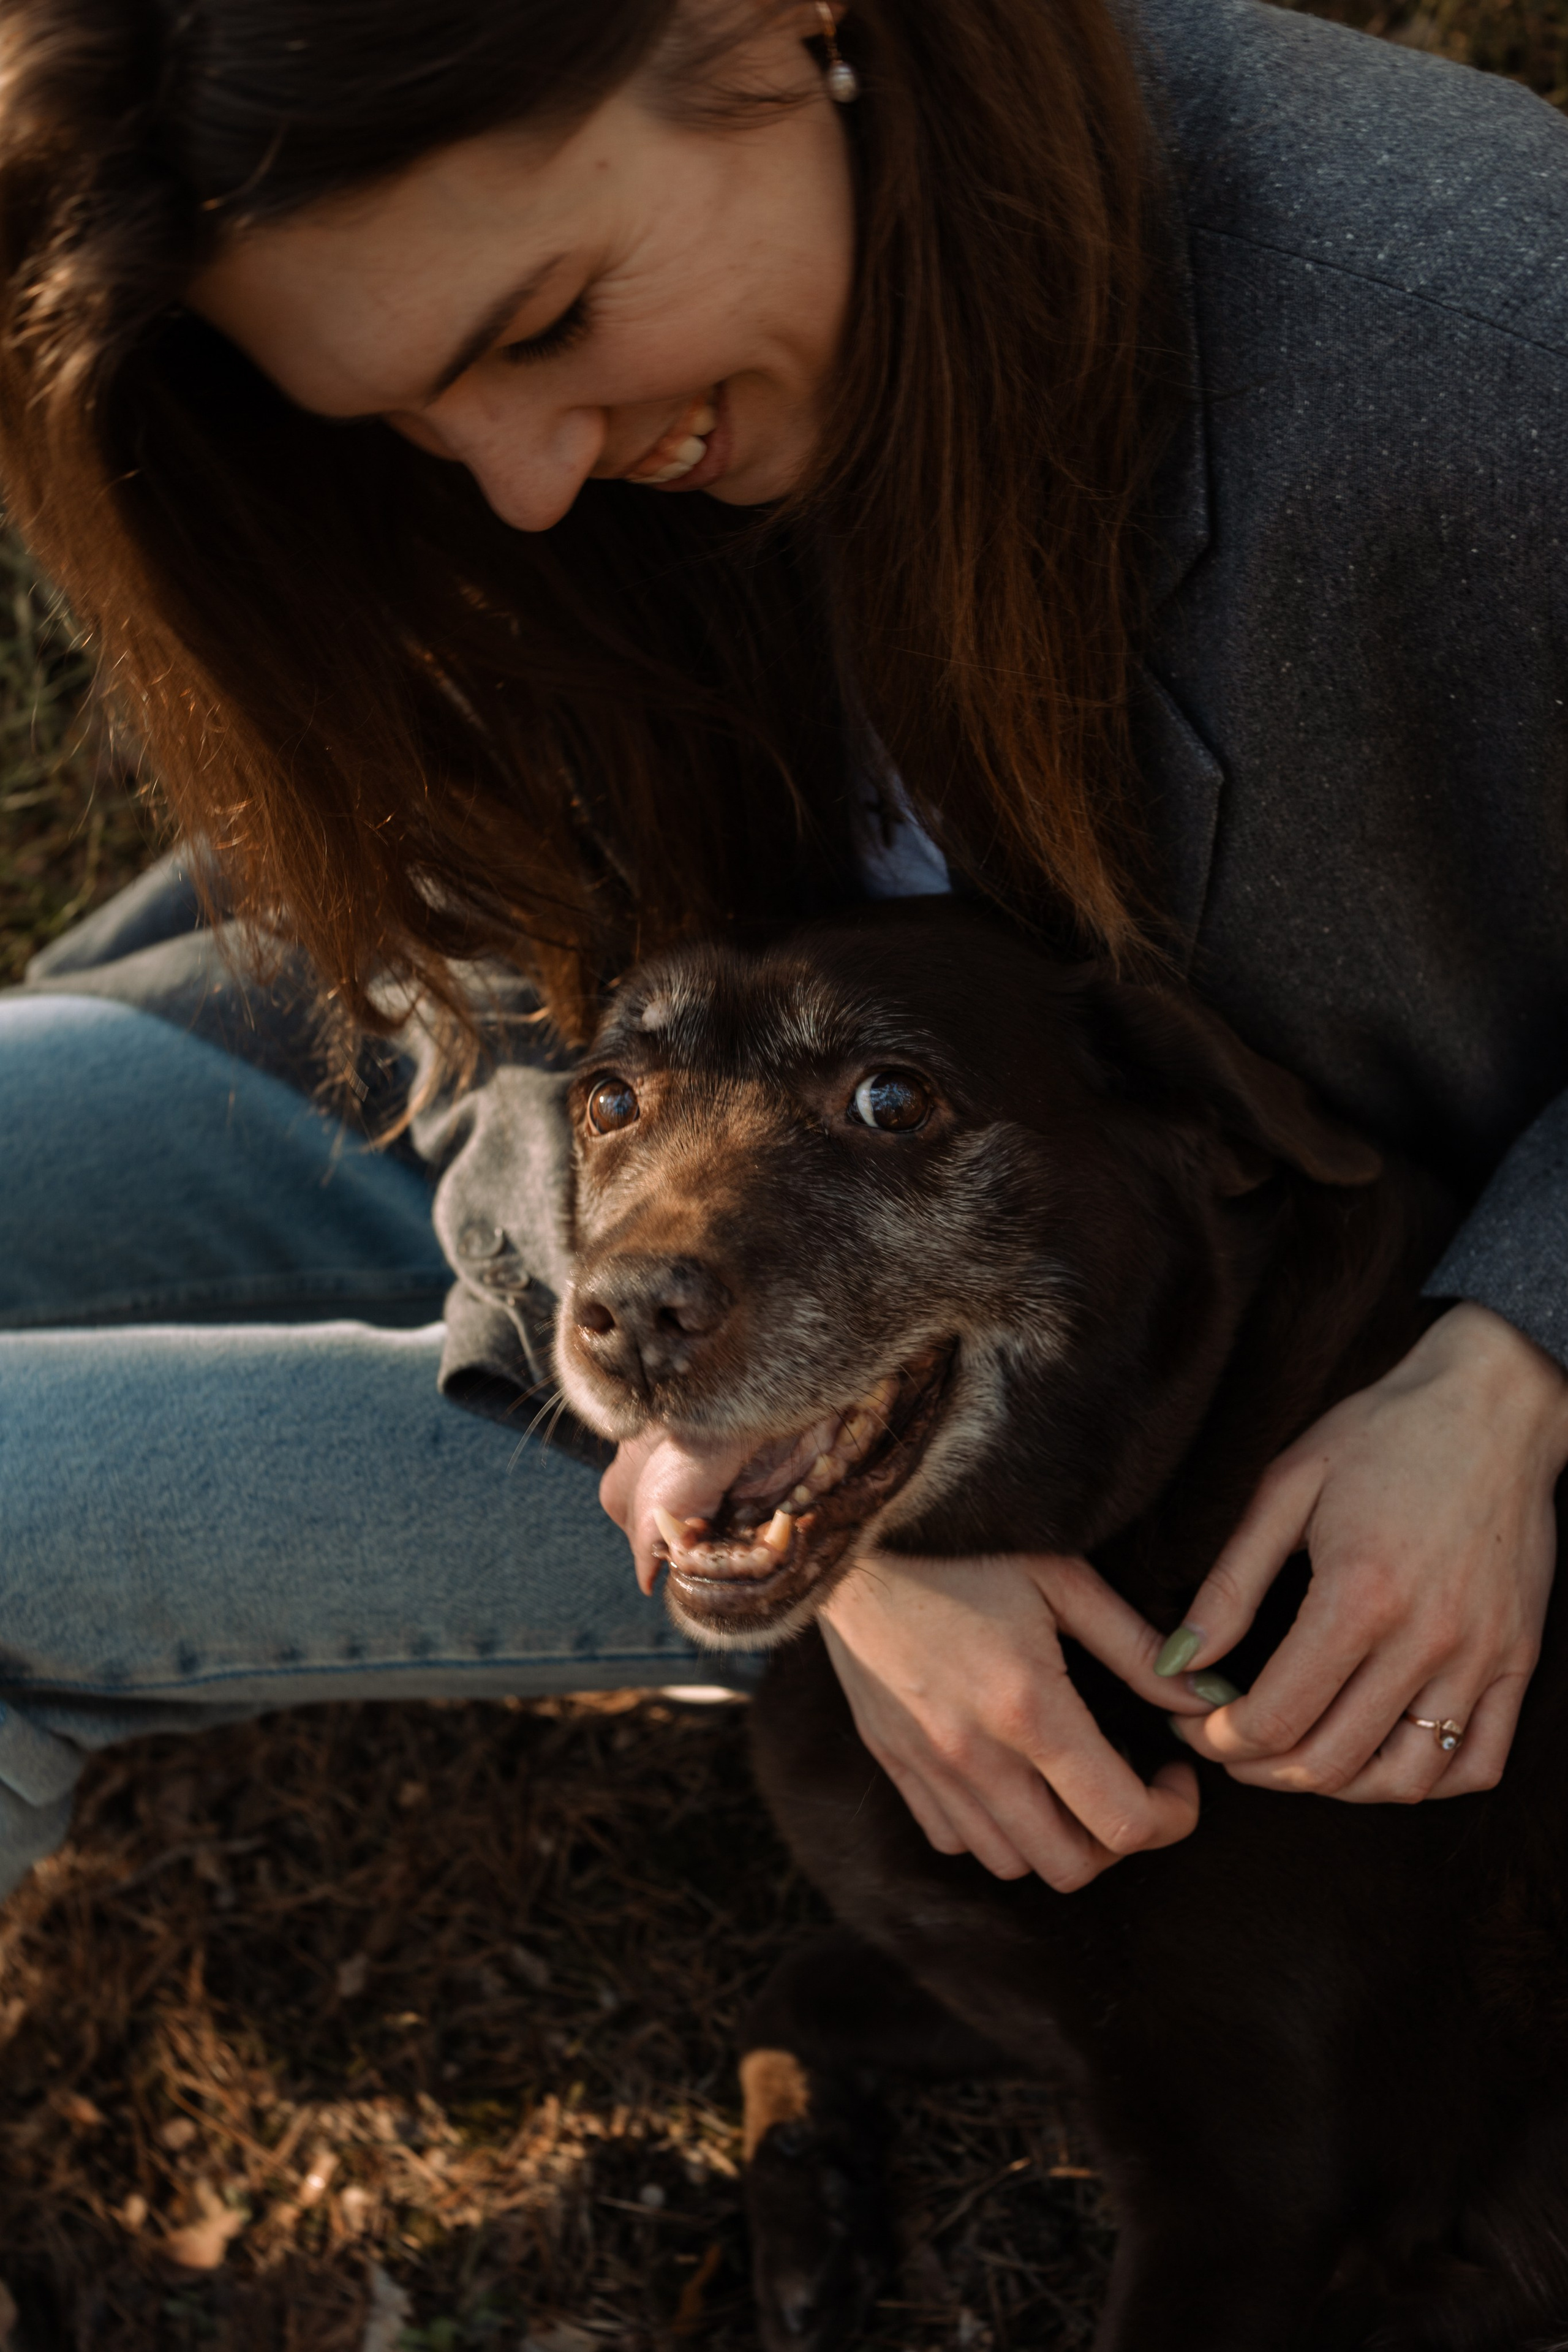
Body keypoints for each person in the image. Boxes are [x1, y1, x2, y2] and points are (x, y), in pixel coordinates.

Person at [1, 0, 1567, 1912]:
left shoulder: (1473, 351)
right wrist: (842, 1521)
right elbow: (517, 974)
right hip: (544, 1147)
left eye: (551, 322)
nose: (520, 484)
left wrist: (1514, 1358)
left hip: (1045, 1353)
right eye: (407, 413)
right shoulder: (544, 444)